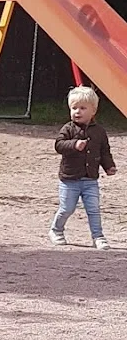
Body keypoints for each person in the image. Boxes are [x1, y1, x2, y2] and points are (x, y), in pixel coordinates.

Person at [49, 85, 116, 250]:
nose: (77, 111)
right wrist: (74, 144)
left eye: (82, 108)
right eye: (74, 108)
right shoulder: (68, 128)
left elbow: (104, 151)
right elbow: (59, 145)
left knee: (93, 209)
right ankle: (56, 230)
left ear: (93, 111)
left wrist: (109, 166)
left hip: (90, 179)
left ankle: (98, 237)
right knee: (67, 208)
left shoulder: (99, 132)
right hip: (70, 179)